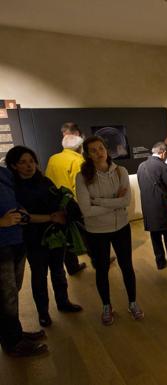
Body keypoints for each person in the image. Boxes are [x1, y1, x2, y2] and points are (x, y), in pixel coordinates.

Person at [6, 146, 83, 328]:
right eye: (23, 162)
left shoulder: (44, 181)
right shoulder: (14, 188)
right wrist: (50, 217)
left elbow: (56, 202)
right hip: (33, 238)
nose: (29, 166)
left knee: (58, 271)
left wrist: (62, 211)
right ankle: (43, 313)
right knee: (39, 276)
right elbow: (22, 216)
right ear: (14, 165)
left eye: (31, 161)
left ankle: (63, 302)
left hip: (55, 234)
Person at [76, 136, 144, 325]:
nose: (99, 153)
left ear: (106, 150)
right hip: (96, 231)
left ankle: (132, 302)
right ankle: (106, 305)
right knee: (102, 269)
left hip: (121, 227)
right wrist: (113, 202)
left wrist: (97, 201)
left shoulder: (121, 172)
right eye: (93, 150)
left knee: (127, 266)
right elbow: (85, 210)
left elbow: (125, 201)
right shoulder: (82, 177)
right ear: (87, 155)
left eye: (101, 148)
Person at [0, 166, 48, 357]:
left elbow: (12, 198)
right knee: (7, 295)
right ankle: (13, 342)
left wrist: (21, 210)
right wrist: (1, 222)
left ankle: (14, 333)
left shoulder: (4, 173)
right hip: (1, 245)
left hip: (16, 239)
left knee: (13, 291)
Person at [45, 122, 88, 275]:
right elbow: (79, 186)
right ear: (79, 146)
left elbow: (48, 180)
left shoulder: (53, 158)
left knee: (66, 236)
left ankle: (72, 266)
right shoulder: (78, 161)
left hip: (56, 203)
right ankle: (98, 260)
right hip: (72, 204)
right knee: (87, 233)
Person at [137, 141, 167, 270]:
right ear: (163, 153)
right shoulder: (163, 167)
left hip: (148, 207)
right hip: (162, 207)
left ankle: (160, 262)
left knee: (155, 236)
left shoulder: (141, 166)